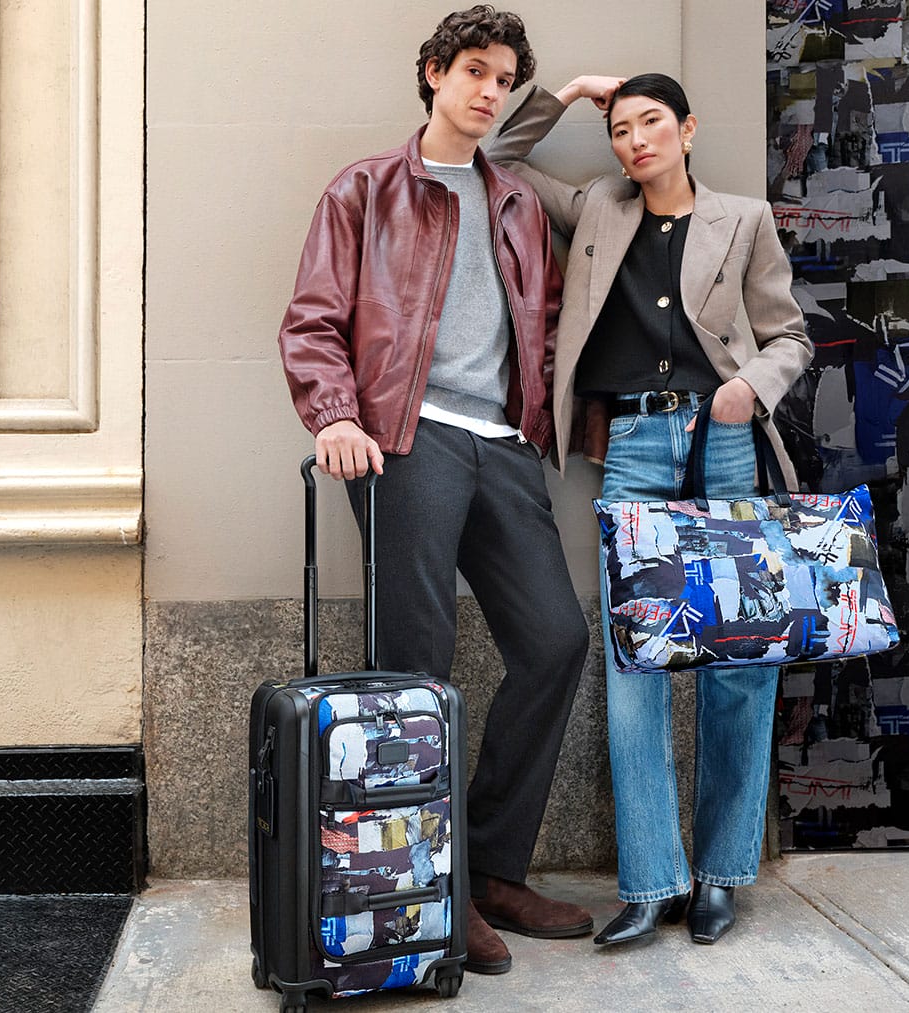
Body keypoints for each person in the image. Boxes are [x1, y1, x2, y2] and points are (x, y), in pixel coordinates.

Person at [278, 6, 593, 974]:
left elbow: (545, 323)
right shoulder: (365, 189)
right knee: (414, 666)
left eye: (504, 79)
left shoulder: (517, 201)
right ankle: (427, 890)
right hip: (406, 439)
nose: (489, 91)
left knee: (556, 640)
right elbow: (314, 317)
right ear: (434, 73)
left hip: (502, 443)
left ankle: (489, 869)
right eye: (475, 72)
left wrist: (546, 422)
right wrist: (335, 414)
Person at [484, 73, 814, 946]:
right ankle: (651, 881)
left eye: (652, 123)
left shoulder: (743, 218)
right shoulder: (597, 206)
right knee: (639, 658)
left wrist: (751, 385)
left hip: (725, 441)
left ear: (687, 129)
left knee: (740, 657)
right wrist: (569, 93)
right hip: (632, 446)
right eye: (622, 128)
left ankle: (721, 875)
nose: (635, 141)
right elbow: (495, 155)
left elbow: (790, 335)